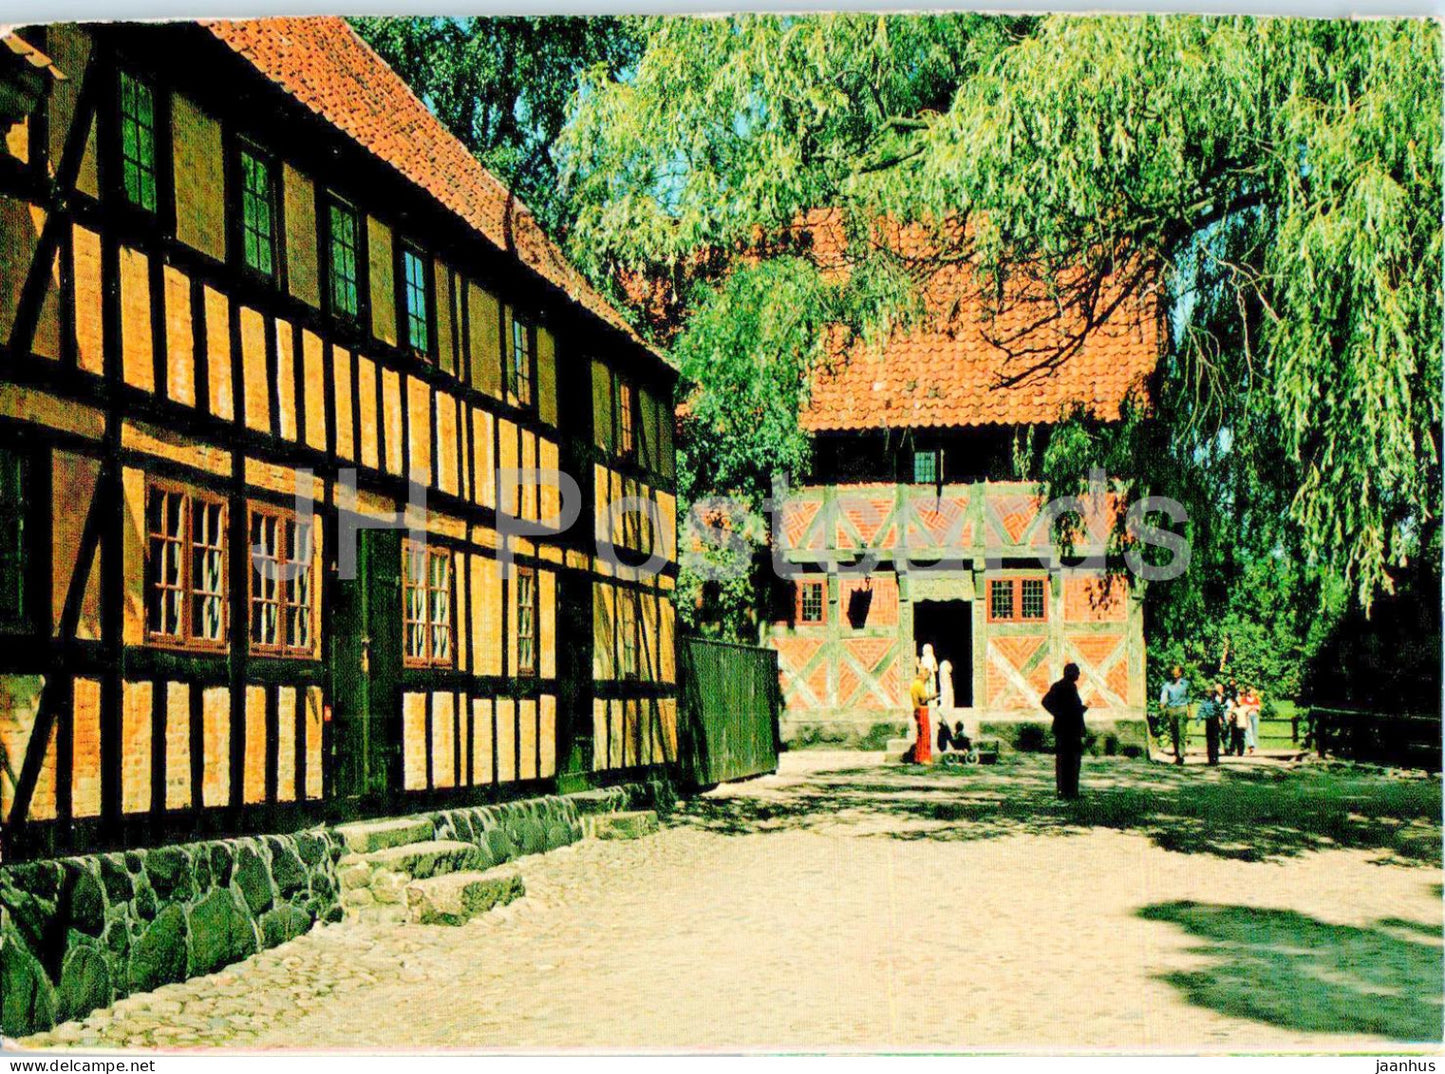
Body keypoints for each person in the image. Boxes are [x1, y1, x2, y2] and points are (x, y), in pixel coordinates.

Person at [1041, 663, 1087, 799]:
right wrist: (1062, 713)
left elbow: (1046, 702)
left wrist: (1057, 713)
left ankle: (1063, 790)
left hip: (1062, 728)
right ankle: (1071, 791)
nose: (1078, 675)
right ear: (1070, 673)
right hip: (1070, 729)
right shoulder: (1067, 687)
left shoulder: (1059, 686)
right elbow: (1048, 702)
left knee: (1062, 761)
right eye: (1077, 673)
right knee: (1072, 761)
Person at [1159, 666, 1191, 765]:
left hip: (1181, 709)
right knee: (1174, 733)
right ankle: (1177, 754)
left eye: (1176, 672)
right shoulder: (1167, 685)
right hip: (1171, 709)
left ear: (1180, 673)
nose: (1175, 674)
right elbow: (1164, 696)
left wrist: (1189, 710)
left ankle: (1181, 755)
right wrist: (1162, 705)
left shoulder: (1185, 684)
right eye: (1173, 672)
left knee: (1181, 733)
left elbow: (1188, 698)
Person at [908, 665, 937, 765]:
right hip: (922, 710)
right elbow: (923, 700)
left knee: (920, 735)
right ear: (922, 675)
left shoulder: (914, 684)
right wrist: (933, 697)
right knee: (925, 734)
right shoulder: (919, 685)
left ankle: (918, 757)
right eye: (927, 675)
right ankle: (925, 758)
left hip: (917, 710)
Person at [1197, 682, 1227, 766]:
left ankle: (1215, 758)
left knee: (1215, 740)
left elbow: (1221, 712)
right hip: (1209, 721)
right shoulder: (1205, 703)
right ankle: (1211, 759)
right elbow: (1201, 711)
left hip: (1215, 722)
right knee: (1210, 741)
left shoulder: (1216, 703)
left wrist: (1224, 721)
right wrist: (1199, 719)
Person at [1237, 684, 1262, 754]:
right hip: (1247, 716)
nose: (1250, 693)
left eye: (1251, 691)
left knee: (1255, 731)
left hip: (1255, 715)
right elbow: (1244, 707)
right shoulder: (1244, 699)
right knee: (1248, 731)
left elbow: (1258, 708)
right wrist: (1252, 707)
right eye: (1249, 691)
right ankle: (1251, 745)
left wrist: (1251, 707)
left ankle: (1255, 746)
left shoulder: (1256, 699)